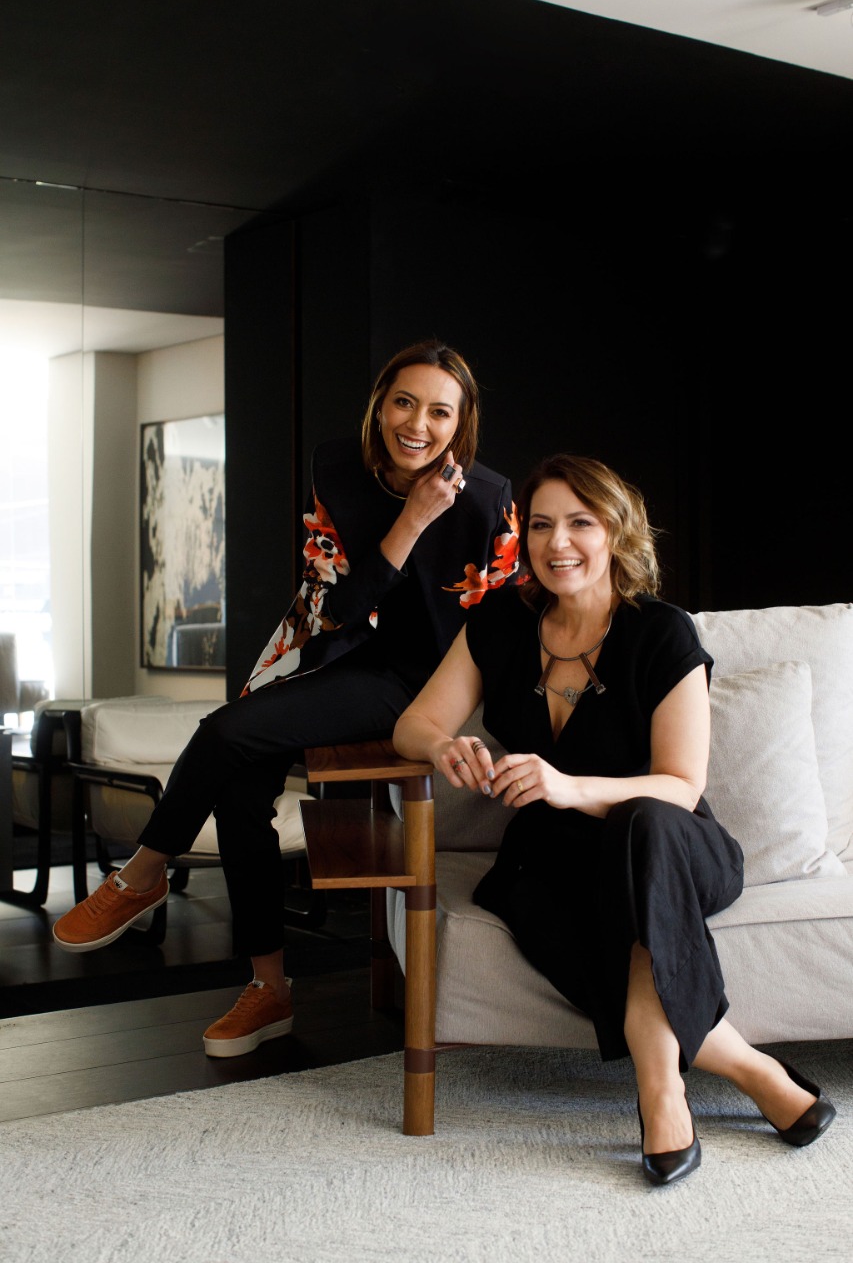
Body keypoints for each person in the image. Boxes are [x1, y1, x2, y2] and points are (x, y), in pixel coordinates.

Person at [53, 339, 520, 1058]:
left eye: (439, 412)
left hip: (419, 681)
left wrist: (425, 519)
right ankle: (268, 988)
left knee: (222, 732)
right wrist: (407, 522)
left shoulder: (487, 500)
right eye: (404, 403)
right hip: (324, 648)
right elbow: (334, 608)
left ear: (462, 423)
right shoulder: (335, 469)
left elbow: (497, 629)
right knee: (240, 780)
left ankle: (144, 871)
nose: (417, 425)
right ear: (380, 405)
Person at [392, 452, 836, 1186]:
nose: (557, 542)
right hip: (554, 861)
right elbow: (413, 725)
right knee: (605, 904)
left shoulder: (661, 633)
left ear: (616, 532)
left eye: (580, 523)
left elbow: (680, 786)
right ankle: (751, 1069)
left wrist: (566, 786)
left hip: (674, 845)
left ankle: (659, 1090)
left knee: (640, 825)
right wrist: (444, 746)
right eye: (540, 525)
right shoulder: (501, 622)